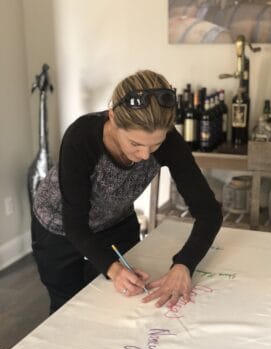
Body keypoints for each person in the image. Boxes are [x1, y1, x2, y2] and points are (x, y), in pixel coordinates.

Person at [31, 69, 223, 314]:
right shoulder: (82, 138)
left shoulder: (170, 142)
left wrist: (184, 264)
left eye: (156, 144)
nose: (145, 156)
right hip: (60, 227)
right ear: (112, 118)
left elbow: (209, 212)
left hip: (116, 223)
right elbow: (75, 224)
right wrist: (113, 269)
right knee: (67, 309)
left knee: (123, 307)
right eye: (135, 144)